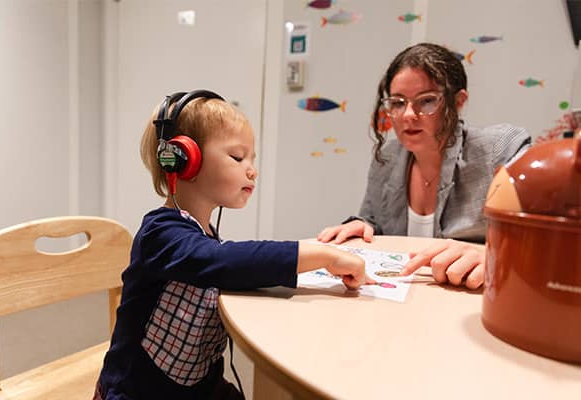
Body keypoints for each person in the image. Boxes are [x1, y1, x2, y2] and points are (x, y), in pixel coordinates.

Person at [94, 90, 373, 400]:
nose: (252, 169)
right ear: (184, 160)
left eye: (252, 159)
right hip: (135, 392)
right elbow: (218, 261)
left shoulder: (205, 234)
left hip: (200, 389)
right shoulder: (159, 234)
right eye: (238, 157)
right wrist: (321, 255)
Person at [317, 43, 531, 289]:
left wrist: (494, 255)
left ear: (459, 102)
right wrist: (363, 226)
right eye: (397, 103)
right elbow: (375, 221)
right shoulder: (387, 156)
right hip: (402, 299)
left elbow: (541, 239)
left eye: (427, 101)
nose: (408, 114)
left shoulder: (499, 149)